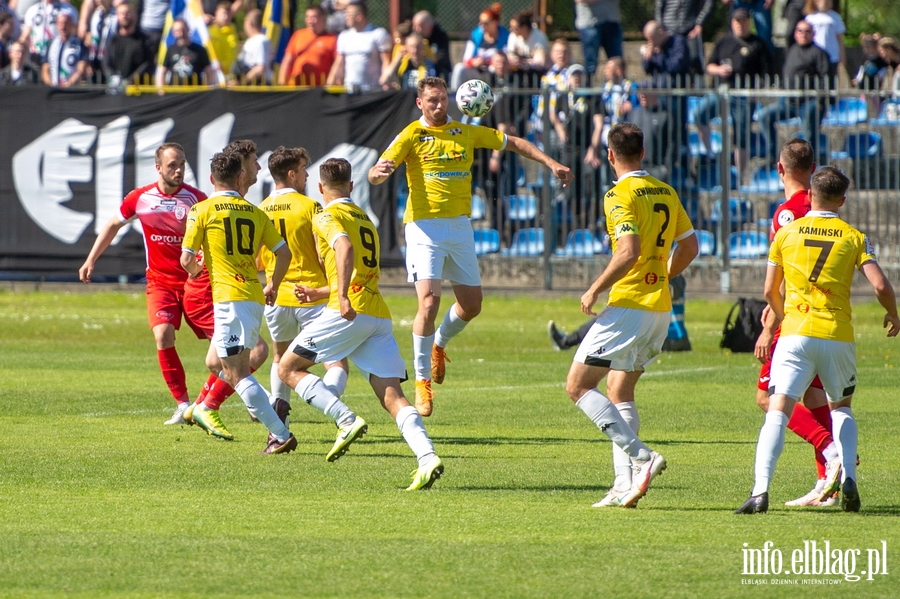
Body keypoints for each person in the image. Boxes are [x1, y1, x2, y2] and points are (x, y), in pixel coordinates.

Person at [368, 76, 573, 418]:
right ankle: (421, 383)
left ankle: (439, 343)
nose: (438, 105)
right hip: (424, 227)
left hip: (460, 227)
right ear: (419, 103)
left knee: (472, 305)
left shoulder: (465, 132)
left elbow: (515, 143)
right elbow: (378, 173)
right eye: (431, 100)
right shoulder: (411, 135)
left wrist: (551, 163)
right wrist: (378, 171)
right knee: (429, 301)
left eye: (442, 99)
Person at [736, 165, 899, 514]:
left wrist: (781, 314)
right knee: (841, 408)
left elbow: (768, 289)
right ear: (842, 200)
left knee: (777, 409)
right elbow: (882, 285)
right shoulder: (854, 236)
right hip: (837, 335)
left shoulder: (787, 233)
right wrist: (892, 313)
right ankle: (849, 477)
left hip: (795, 333)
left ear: (810, 195)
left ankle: (759, 492)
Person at [279, 158, 445, 490]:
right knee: (391, 394)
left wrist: (338, 296)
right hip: (375, 314)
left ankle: (345, 419)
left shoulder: (326, 215)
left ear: (321, 188)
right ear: (352, 187)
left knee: (288, 369)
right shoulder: (365, 219)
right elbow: (358, 267)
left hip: (348, 311)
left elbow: (344, 247)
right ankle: (427, 458)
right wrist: (321, 290)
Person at [566, 122, 698, 508]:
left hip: (628, 306)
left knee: (577, 386)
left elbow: (628, 251)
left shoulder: (618, 193)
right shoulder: (666, 191)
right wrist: (664, 275)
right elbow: (690, 246)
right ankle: (623, 484)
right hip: (659, 309)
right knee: (619, 390)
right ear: (642, 153)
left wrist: (594, 289)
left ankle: (644, 458)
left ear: (610, 155)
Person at [78, 143, 235, 427]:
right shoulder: (141, 198)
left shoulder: (196, 200)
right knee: (163, 335)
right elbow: (113, 224)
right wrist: (91, 259)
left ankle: (207, 401)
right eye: (172, 164)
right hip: (160, 283)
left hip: (196, 285)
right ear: (158, 167)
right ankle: (183, 404)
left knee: (224, 347)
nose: (178, 170)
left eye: (182, 164)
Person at [180, 150, 297, 455]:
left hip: (228, 299)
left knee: (236, 373)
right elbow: (284, 253)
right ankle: (260, 409)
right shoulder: (256, 212)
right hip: (253, 297)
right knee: (215, 362)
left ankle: (279, 432)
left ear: (211, 179)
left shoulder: (202, 210)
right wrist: (273, 284)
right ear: (239, 177)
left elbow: (186, 259)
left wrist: (196, 269)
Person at [750, 138, 845, 507]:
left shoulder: (787, 213)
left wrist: (769, 325)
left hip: (794, 320)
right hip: (829, 318)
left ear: (779, 168)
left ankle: (831, 451)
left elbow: (788, 274)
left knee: (767, 397)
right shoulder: (824, 206)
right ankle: (827, 481)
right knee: (816, 394)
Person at [257, 146, 350, 422]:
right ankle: (326, 401)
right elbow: (323, 253)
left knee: (280, 357)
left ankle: (280, 421)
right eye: (302, 170)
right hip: (313, 297)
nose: (307, 175)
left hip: (277, 297)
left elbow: (259, 260)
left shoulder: (261, 210)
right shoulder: (311, 207)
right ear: (291, 174)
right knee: (336, 361)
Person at [691, 8, 770, 177]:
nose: (740, 25)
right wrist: (719, 70)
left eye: (743, 21)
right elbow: (709, 66)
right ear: (732, 23)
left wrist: (757, 92)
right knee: (699, 114)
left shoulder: (758, 44)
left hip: (744, 95)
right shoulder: (723, 41)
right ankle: (710, 153)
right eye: (737, 21)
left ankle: (740, 175)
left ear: (749, 22)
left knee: (741, 135)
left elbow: (765, 74)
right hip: (721, 91)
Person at [757, 23, 830, 164]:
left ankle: (809, 162)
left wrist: (821, 102)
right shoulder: (792, 50)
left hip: (809, 102)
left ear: (813, 34)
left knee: (809, 132)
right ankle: (772, 155)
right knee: (764, 116)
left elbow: (825, 78)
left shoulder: (818, 53)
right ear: (795, 33)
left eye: (807, 31)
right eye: (800, 31)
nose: (803, 34)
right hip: (788, 102)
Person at [325, 2, 390, 92]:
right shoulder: (344, 36)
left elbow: (386, 62)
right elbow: (339, 62)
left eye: (348, 14)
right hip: (349, 91)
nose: (345, 17)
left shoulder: (379, 34)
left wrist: (386, 81)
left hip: (372, 91)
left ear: (359, 16)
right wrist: (330, 83)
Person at [451, 3, 509, 90]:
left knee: (495, 69)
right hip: (477, 71)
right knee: (459, 68)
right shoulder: (476, 35)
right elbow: (466, 59)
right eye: (480, 23)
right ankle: (454, 94)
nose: (482, 26)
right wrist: (474, 62)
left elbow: (506, 58)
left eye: (485, 23)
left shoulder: (505, 36)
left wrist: (487, 62)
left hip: (495, 73)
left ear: (495, 22)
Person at [279, 4, 336, 87]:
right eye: (307, 17)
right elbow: (287, 60)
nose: (310, 21)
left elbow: (337, 63)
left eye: (313, 17)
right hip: (296, 87)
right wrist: (282, 81)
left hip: (318, 89)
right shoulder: (298, 35)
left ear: (323, 18)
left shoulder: (332, 39)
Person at [655, 0, 714, 75]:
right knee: (668, 60)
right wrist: (661, 29)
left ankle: (696, 84)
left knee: (695, 59)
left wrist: (699, 23)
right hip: (668, 30)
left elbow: (709, 3)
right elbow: (658, 8)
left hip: (690, 30)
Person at [102, 1, 153, 84]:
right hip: (115, 90)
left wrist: (130, 80)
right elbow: (106, 62)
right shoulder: (112, 40)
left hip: (138, 90)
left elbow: (147, 63)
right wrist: (112, 77)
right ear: (117, 16)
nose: (124, 16)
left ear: (134, 15)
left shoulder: (144, 40)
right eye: (121, 13)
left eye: (127, 13)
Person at [156, 18, 215, 91]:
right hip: (174, 93)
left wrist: (208, 90)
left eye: (183, 29)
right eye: (177, 31)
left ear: (188, 29)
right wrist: (161, 90)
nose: (181, 33)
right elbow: (162, 71)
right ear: (173, 33)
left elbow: (209, 72)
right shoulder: (170, 49)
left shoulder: (200, 50)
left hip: (194, 93)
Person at [574, 0, 622, 78]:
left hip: (612, 22)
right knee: (590, 65)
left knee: (617, 64)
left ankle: (618, 89)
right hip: (589, 24)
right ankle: (588, 88)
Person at [41, 11, 87, 86]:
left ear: (72, 25)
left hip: (72, 89)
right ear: (57, 25)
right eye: (60, 23)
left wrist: (70, 83)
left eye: (66, 23)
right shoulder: (51, 45)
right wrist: (49, 83)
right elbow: (45, 68)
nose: (63, 26)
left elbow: (81, 69)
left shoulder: (79, 45)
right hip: (54, 89)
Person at [640, 20, 690, 86]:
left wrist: (658, 55)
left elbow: (675, 66)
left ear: (660, 32)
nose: (650, 43)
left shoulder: (678, 42)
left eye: (652, 39)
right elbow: (648, 70)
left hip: (675, 84)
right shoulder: (655, 47)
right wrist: (647, 58)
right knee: (641, 86)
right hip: (657, 84)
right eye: (648, 40)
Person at [804, 0, 845, 78]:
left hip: (832, 55)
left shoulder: (836, 17)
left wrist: (842, 56)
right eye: (825, 2)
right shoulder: (810, 18)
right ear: (816, 2)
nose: (828, 3)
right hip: (815, 55)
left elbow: (840, 39)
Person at [231, 8, 271, 85]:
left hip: (258, 86)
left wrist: (241, 83)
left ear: (249, 23)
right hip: (250, 84)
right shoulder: (252, 41)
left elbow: (260, 68)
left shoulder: (260, 40)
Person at [411, 9, 451, 81]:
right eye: (414, 26)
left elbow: (442, 57)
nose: (416, 29)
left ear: (430, 26)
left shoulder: (440, 37)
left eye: (420, 26)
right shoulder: (412, 37)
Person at [506, 8, 547, 75]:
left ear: (524, 28)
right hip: (519, 73)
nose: (511, 30)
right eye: (511, 27)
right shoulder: (513, 36)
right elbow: (510, 55)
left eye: (515, 28)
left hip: (538, 74)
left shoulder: (539, 38)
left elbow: (540, 63)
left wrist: (522, 61)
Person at [207, 1, 237, 77]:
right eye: (224, 13)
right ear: (216, 13)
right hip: (215, 73)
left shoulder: (233, 30)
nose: (226, 17)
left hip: (231, 73)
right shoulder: (210, 32)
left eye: (229, 13)